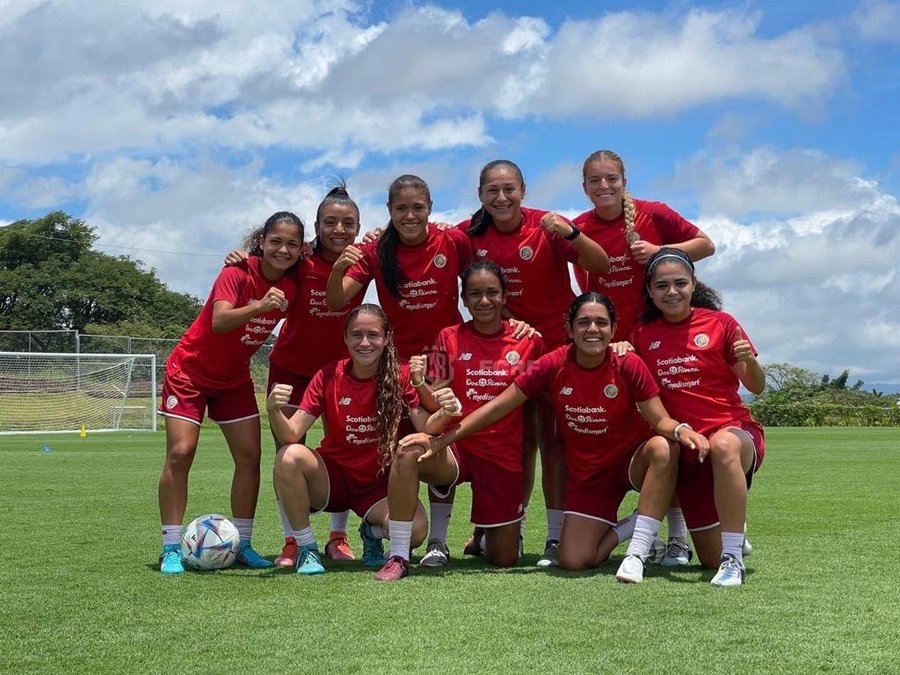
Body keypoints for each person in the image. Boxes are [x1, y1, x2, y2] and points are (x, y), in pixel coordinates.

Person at [400, 292, 708, 583]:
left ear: (614, 329)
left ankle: (638, 553)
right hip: (590, 478)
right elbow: (497, 406)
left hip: (630, 462)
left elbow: (659, 419)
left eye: (601, 323)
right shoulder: (553, 363)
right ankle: (630, 524)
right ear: (570, 329)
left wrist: (682, 431)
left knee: (664, 448)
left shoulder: (627, 362)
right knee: (573, 560)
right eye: (584, 323)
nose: (592, 329)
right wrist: (442, 439)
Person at [438, 159, 611, 568]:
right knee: (514, 442)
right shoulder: (468, 233)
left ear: (523, 190)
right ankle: (504, 527)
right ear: (480, 195)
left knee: (552, 443)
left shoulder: (546, 226)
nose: (501, 198)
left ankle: (553, 537)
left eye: (509, 189)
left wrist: (573, 231)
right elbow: (427, 245)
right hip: (501, 354)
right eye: (492, 191)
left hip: (551, 349)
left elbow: (600, 264)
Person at [574, 149, 716, 559]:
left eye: (611, 179)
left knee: (667, 431)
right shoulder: (579, 227)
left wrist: (660, 250)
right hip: (608, 345)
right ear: (584, 188)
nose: (604, 187)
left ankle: (676, 538)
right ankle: (649, 534)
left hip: (657, 340)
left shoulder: (654, 213)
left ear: (624, 180)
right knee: (639, 439)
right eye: (595, 181)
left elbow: (706, 245)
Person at [156, 211, 304, 574]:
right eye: (276, 241)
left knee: (250, 456)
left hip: (233, 380)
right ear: (262, 242)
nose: (283, 249)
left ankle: (243, 543)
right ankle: (171, 547)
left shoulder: (291, 286)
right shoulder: (236, 272)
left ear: (301, 250)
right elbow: (220, 321)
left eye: (292, 244)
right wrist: (259, 305)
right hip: (189, 372)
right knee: (181, 452)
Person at [267, 304, 460, 578]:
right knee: (288, 455)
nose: (365, 342)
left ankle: (370, 532)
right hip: (334, 479)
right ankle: (306, 548)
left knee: (416, 533)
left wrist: (445, 409)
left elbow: (424, 426)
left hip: (378, 487)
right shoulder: (327, 375)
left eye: (373, 334)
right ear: (345, 339)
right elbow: (290, 434)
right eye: (356, 335)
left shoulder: (402, 374)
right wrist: (273, 410)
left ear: (387, 337)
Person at [226, 185, 364, 567]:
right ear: (317, 227)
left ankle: (339, 537)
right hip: (290, 370)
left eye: (348, 223)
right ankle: (293, 541)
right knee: (287, 451)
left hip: (341, 373)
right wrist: (242, 256)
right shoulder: (300, 260)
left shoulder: (362, 260)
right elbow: (265, 263)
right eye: (330, 222)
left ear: (358, 227)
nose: (339, 229)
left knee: (346, 450)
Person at [386, 261, 545, 576]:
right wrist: (420, 383)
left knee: (504, 559)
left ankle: (485, 535)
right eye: (475, 294)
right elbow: (433, 402)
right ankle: (401, 555)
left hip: (502, 454)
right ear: (464, 298)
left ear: (504, 295)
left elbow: (536, 401)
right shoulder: (448, 336)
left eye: (492, 293)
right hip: (456, 449)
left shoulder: (530, 342)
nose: (484, 301)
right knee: (408, 452)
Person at [631, 247, 766, 587]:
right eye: (662, 285)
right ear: (650, 291)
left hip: (733, 434)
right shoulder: (643, 335)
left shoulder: (721, 323)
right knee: (708, 559)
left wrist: (750, 361)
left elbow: (756, 386)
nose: (672, 292)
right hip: (688, 446)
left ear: (694, 284)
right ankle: (729, 536)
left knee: (723, 445)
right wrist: (622, 348)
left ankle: (734, 560)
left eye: (680, 283)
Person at [325, 174, 473, 361]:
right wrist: (338, 270)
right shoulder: (375, 249)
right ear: (389, 209)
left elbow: (478, 288)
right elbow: (336, 301)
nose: (410, 216)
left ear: (430, 206)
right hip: (400, 360)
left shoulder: (452, 239)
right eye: (401, 208)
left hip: (450, 354)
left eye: (418, 207)